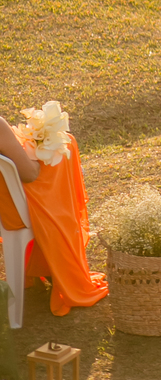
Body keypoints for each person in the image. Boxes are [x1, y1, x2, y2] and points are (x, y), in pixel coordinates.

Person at [0, 113, 107, 316]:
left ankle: (46, 266)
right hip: (10, 213)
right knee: (62, 157)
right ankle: (59, 265)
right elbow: (30, 173)